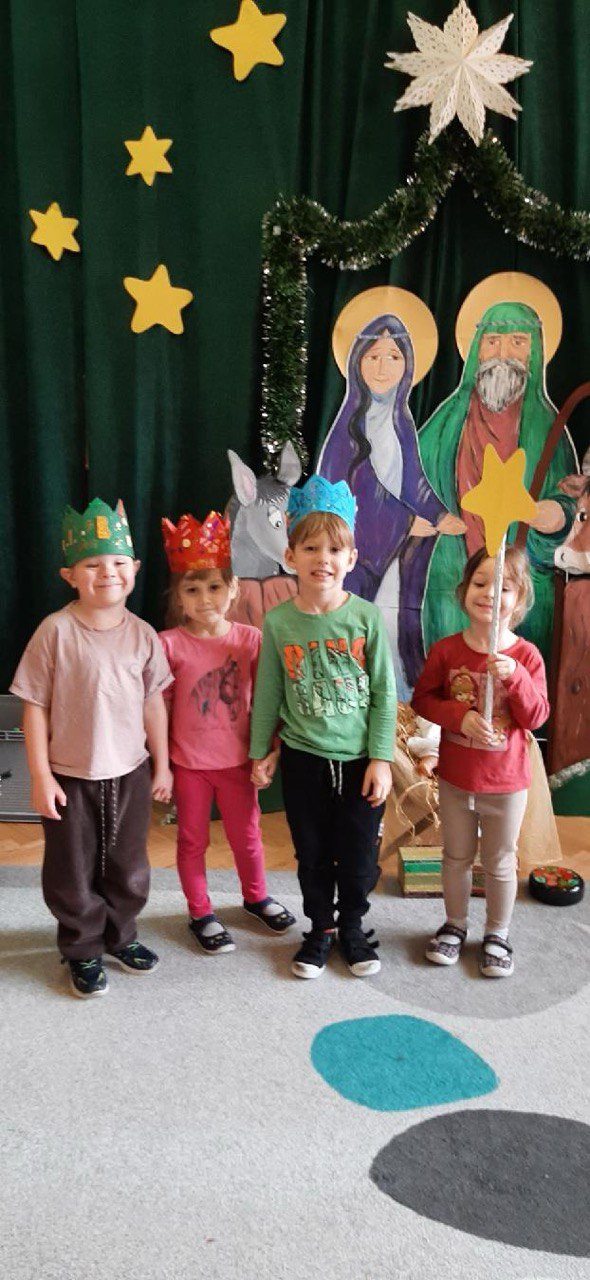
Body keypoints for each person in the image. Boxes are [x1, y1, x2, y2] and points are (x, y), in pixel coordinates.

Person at [10, 498, 173, 999]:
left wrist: (163, 765)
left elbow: (153, 704)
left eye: (118, 562)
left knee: (129, 864)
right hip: (70, 774)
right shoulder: (55, 632)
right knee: (72, 869)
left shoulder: (143, 635)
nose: (108, 573)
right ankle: (81, 947)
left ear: (135, 569)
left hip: (130, 772)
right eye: (93, 565)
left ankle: (121, 935)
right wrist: (40, 776)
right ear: (70, 575)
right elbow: (34, 706)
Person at [250, 475, 397, 980]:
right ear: (290, 556)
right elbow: (268, 692)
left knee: (358, 858)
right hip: (303, 759)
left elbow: (385, 692)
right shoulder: (278, 623)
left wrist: (381, 758)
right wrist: (259, 751)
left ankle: (352, 926)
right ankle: (321, 929)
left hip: (359, 762)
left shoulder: (366, 618)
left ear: (351, 558)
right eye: (310, 548)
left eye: (334, 549)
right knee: (312, 854)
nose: (323, 559)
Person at [159, 509, 295, 954]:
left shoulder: (251, 641)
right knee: (192, 840)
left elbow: (269, 702)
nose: (205, 599)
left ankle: (256, 896)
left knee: (247, 837)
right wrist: (161, 764)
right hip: (190, 765)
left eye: (215, 587)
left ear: (233, 588)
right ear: (179, 597)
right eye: (192, 590)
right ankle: (200, 911)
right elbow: (158, 708)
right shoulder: (168, 645)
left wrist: (268, 752)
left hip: (240, 762)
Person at [412, 545, 549, 978]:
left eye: (504, 587)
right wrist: (461, 717)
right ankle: (455, 924)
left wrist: (517, 677)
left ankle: (497, 933)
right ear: (464, 590)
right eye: (480, 582)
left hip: (507, 783)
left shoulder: (527, 657)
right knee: (455, 856)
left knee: (500, 861)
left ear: (520, 600)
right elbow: (423, 701)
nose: (490, 593)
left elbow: (537, 716)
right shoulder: (446, 651)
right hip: (456, 778)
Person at [418, 300, 577, 667]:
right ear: (476, 349)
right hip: (453, 576)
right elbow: (415, 486)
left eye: (517, 342)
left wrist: (545, 513)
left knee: (516, 679)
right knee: (452, 677)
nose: (503, 354)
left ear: (534, 353)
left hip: (520, 584)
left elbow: (568, 504)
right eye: (492, 341)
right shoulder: (447, 421)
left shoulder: (547, 427)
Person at [318, 313, 464, 699]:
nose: (383, 368)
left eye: (394, 357)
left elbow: (414, 480)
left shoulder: (402, 424)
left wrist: (438, 514)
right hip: (362, 556)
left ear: (408, 365)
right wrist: (404, 522)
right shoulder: (347, 431)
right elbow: (348, 498)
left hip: (399, 558)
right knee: (364, 630)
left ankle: (399, 705)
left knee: (397, 626)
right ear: (357, 362)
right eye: (373, 357)